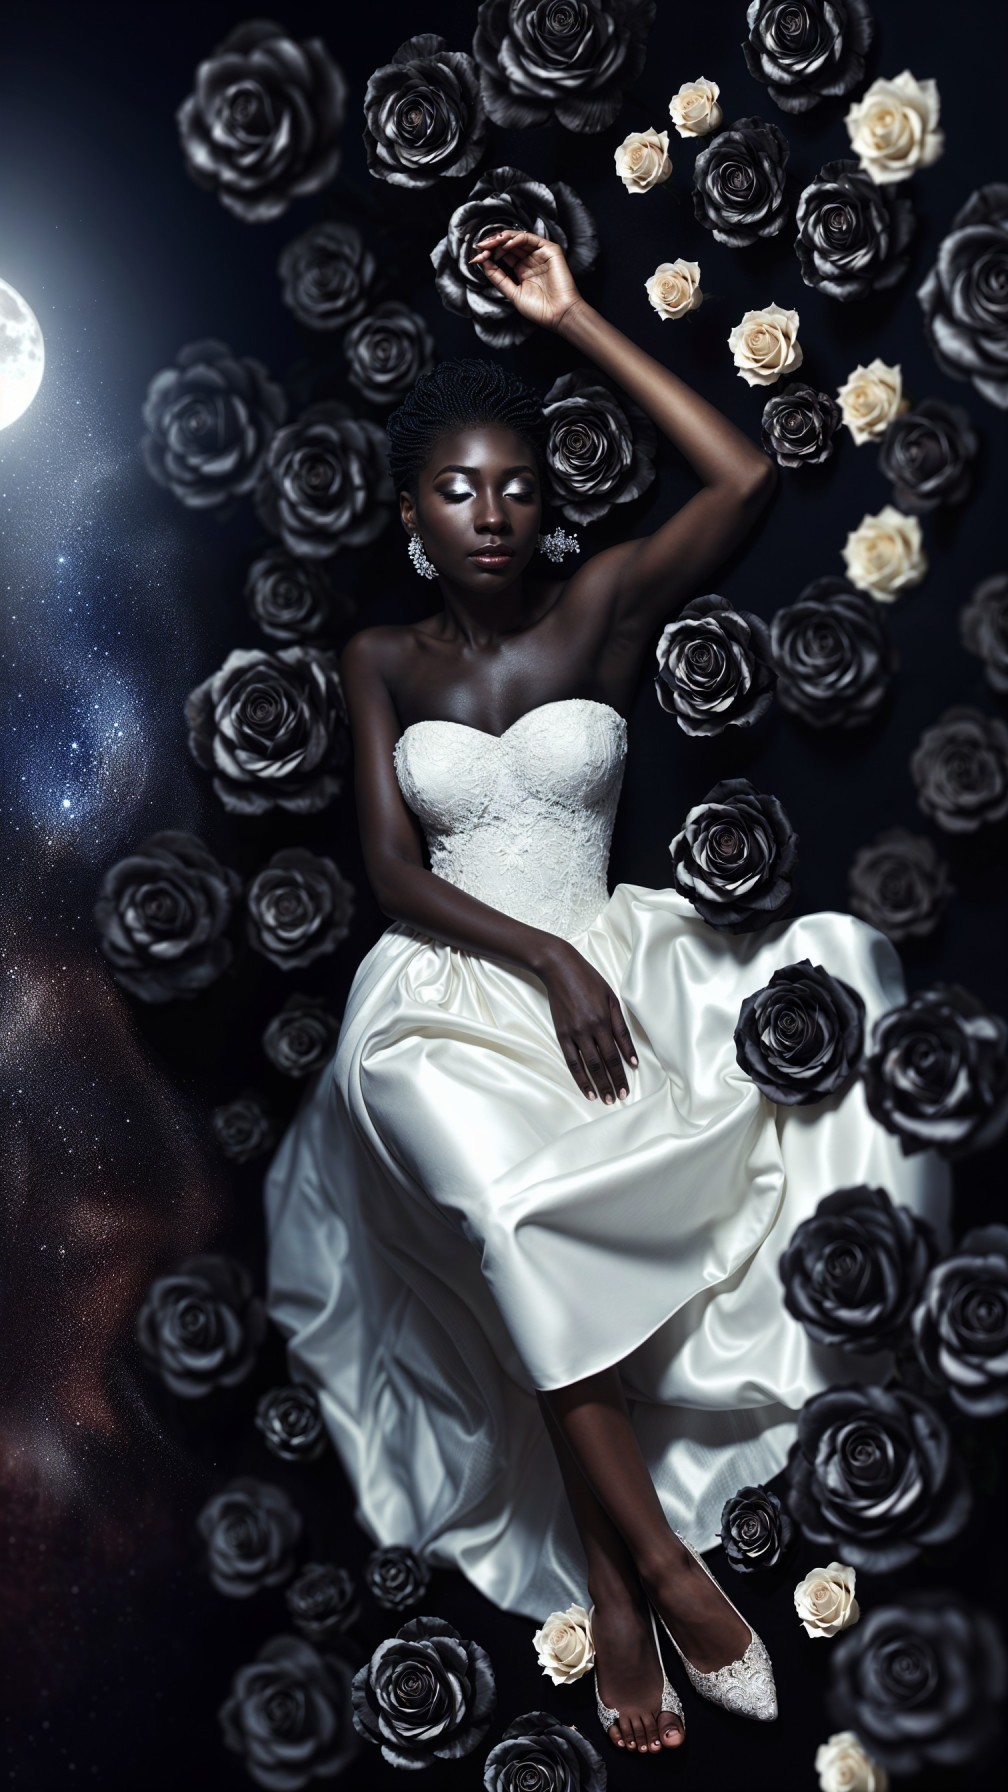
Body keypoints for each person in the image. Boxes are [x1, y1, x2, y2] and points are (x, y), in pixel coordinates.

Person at [263, 229, 951, 1756]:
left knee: (558, 1256)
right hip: (444, 1005)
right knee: (505, 1222)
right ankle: (658, 1567)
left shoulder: (600, 612)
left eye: (516, 484)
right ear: (410, 516)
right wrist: (548, 958)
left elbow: (738, 481)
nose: (494, 512)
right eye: (459, 490)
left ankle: (615, 1587)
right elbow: (386, 870)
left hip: (613, 974)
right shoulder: (380, 656)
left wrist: (573, 315)